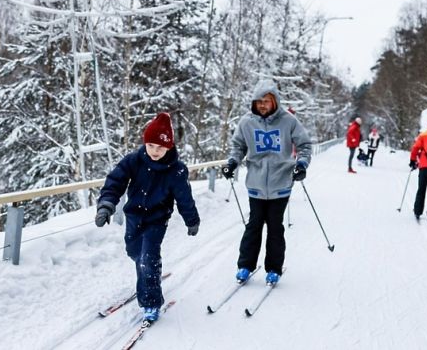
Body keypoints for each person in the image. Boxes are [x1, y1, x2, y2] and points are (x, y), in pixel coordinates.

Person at [94, 112, 200, 322]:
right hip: (133, 216)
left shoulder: (177, 170)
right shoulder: (134, 160)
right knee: (134, 252)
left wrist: (192, 220)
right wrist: (106, 205)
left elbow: (184, 197)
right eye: (151, 146)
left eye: (160, 147)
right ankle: (146, 276)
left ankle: (151, 302)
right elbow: (115, 181)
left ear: (169, 146)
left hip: (157, 219)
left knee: (148, 258)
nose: (154, 151)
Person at [221, 79, 312, 285]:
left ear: (275, 102)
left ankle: (274, 268)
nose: (262, 105)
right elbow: (238, 146)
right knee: (253, 226)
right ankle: (245, 265)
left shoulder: (288, 121)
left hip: (281, 184)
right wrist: (232, 163)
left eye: (267, 101)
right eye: (259, 101)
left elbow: (305, 145)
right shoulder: (246, 122)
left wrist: (302, 164)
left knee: (274, 227)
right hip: (256, 184)